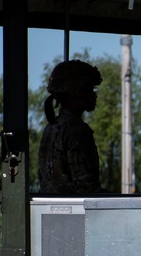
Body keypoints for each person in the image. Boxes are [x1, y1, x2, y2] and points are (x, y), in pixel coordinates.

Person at [38, 59, 107, 194]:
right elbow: (86, 188)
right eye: (89, 89)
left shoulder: (50, 127)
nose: (94, 94)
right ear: (74, 93)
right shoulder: (76, 130)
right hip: (74, 212)